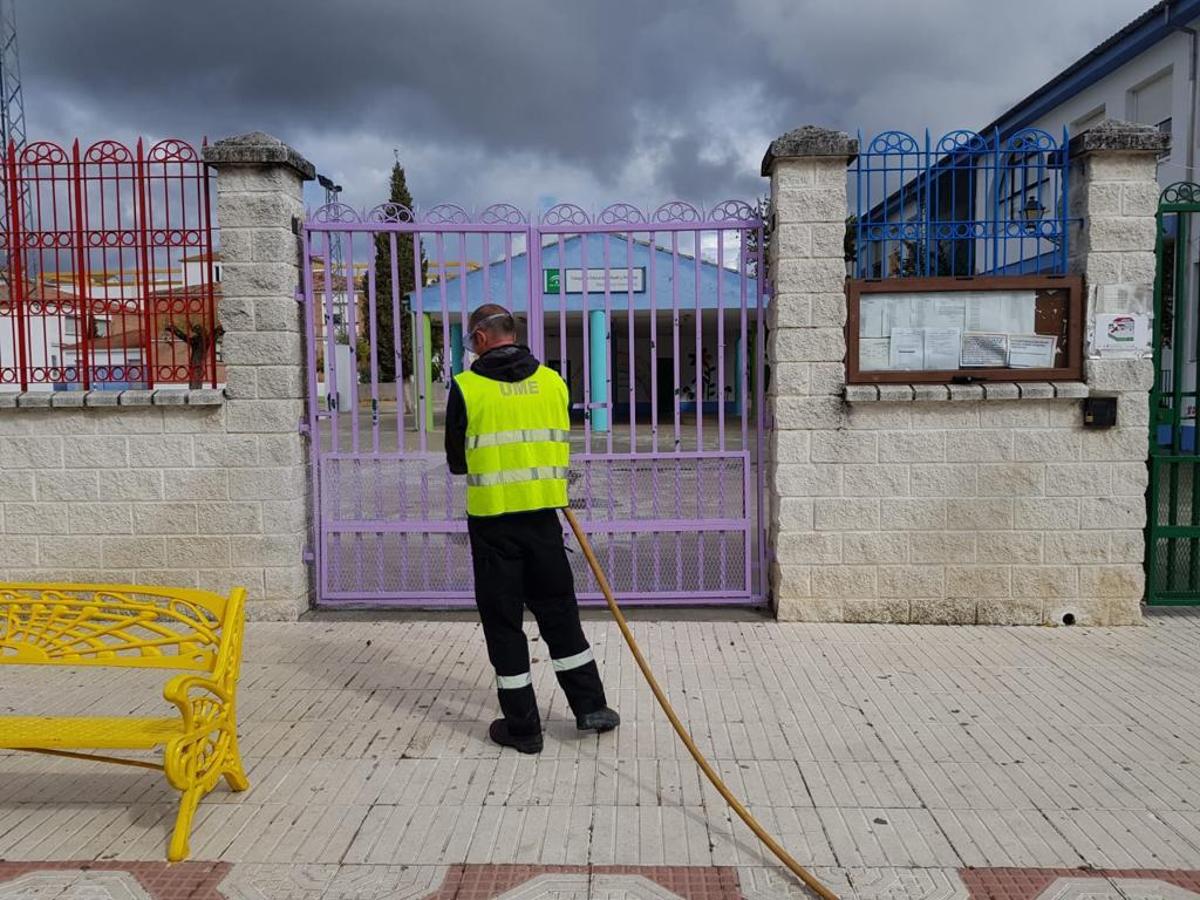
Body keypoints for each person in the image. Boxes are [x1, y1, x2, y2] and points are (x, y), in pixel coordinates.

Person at [445, 303, 620, 754]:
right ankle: (590, 708)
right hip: (545, 520)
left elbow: (457, 462)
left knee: (504, 625)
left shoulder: (467, 388)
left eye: (471, 338)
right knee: (560, 614)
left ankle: (523, 728)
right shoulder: (553, 382)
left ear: (481, 338)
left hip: (493, 525)